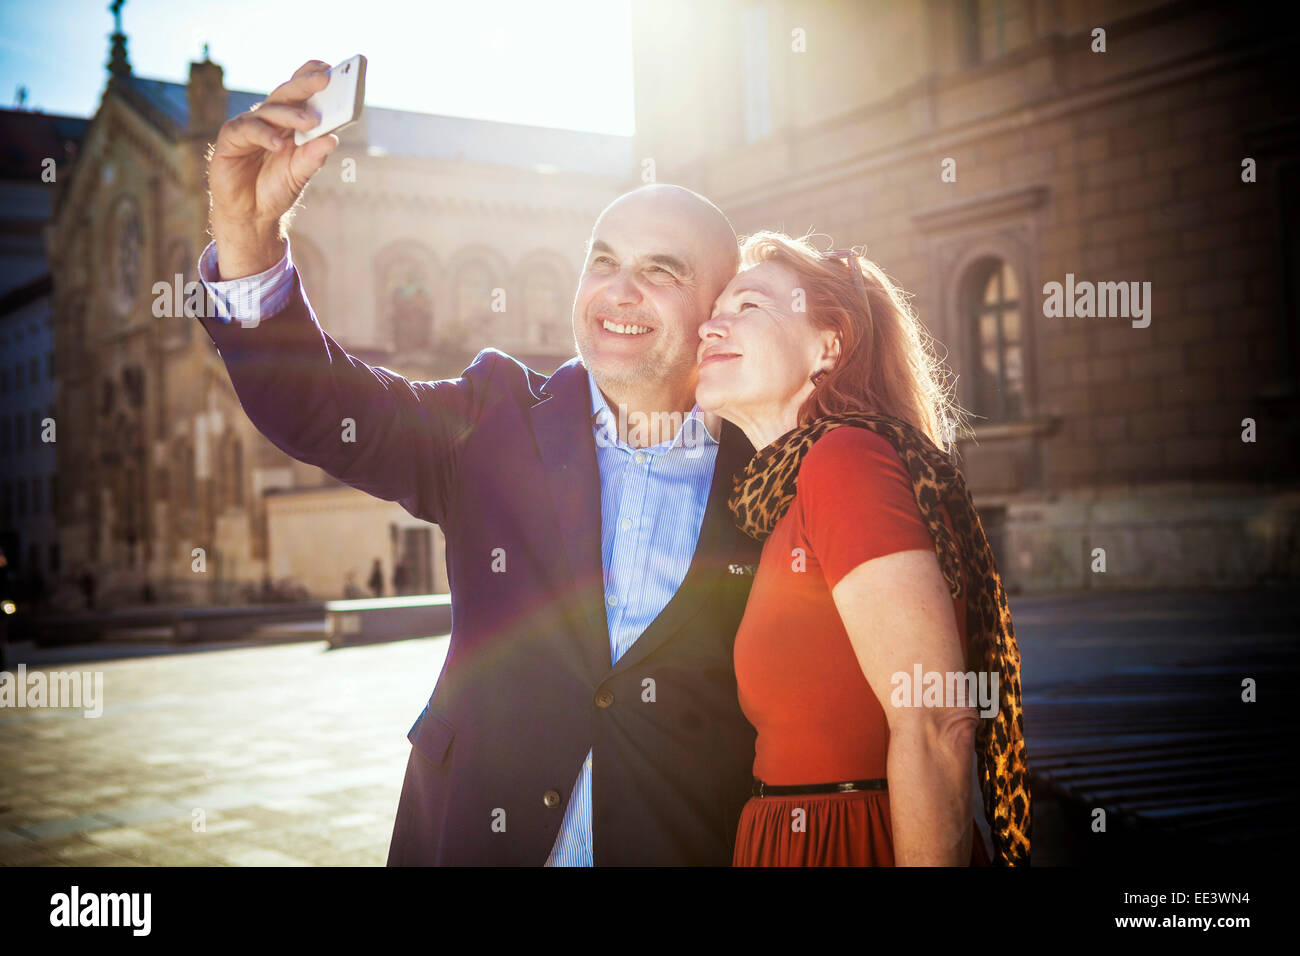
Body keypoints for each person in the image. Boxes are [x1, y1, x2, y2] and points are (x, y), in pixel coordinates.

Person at [196, 60, 760, 865]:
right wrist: (249, 242)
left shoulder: (768, 471)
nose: (617, 292)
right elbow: (320, 410)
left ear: (716, 310)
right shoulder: (496, 416)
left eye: (660, 271)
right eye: (602, 262)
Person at [696, 231, 1031, 866]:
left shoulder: (843, 460)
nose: (711, 327)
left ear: (829, 346)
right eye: (714, 313)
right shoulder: (783, 496)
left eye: (748, 306)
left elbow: (936, 720)